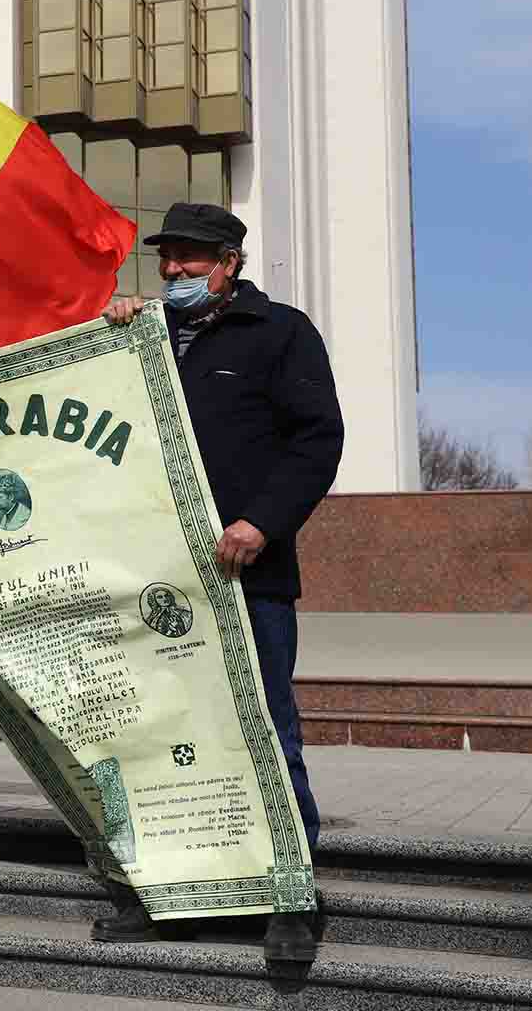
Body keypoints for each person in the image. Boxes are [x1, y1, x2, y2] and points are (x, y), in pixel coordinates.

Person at [102, 202, 344, 962]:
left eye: (191, 258)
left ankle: (291, 901)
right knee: (163, 735)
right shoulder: (145, 336)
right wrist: (106, 334)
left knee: (264, 731)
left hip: (250, 574)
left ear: (230, 262)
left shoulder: (281, 333)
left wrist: (261, 523)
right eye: (166, 258)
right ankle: (167, 892)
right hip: (156, 581)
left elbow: (317, 440)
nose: (173, 271)